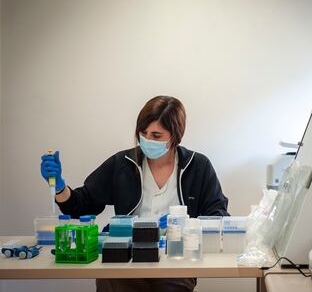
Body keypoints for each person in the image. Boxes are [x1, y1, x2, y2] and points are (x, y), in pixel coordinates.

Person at [40, 95, 229, 292]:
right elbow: (83, 204)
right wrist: (60, 187)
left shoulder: (198, 166)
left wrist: (183, 227)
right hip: (126, 260)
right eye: (143, 133)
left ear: (176, 136)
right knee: (110, 279)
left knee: (173, 284)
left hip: (176, 262)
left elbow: (218, 215)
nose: (147, 140)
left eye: (156, 136)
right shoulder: (122, 163)